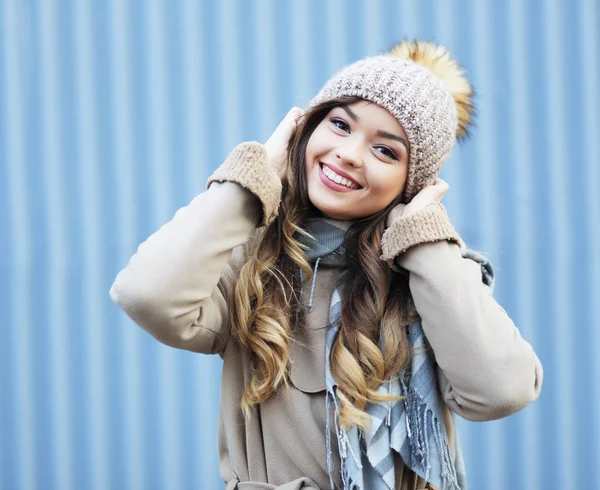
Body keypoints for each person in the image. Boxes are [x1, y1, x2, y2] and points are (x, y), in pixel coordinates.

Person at [109, 40, 543, 490]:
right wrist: (250, 183)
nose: (351, 154)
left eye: (386, 151)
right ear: (306, 128)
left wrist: (424, 242)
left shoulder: (436, 277)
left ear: (412, 186)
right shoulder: (252, 260)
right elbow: (146, 295)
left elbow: (501, 392)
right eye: (339, 124)